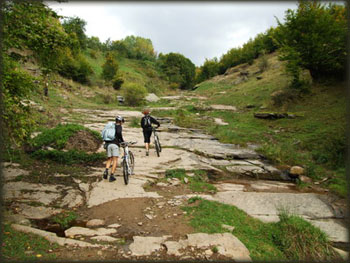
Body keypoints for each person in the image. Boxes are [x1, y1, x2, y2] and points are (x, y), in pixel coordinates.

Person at [103, 116, 125, 182]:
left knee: (109, 159)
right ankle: (112, 175)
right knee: (115, 160)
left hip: (108, 144)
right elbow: (119, 133)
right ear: (120, 122)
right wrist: (122, 141)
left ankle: (106, 171)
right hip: (114, 144)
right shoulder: (119, 126)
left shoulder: (111, 126)